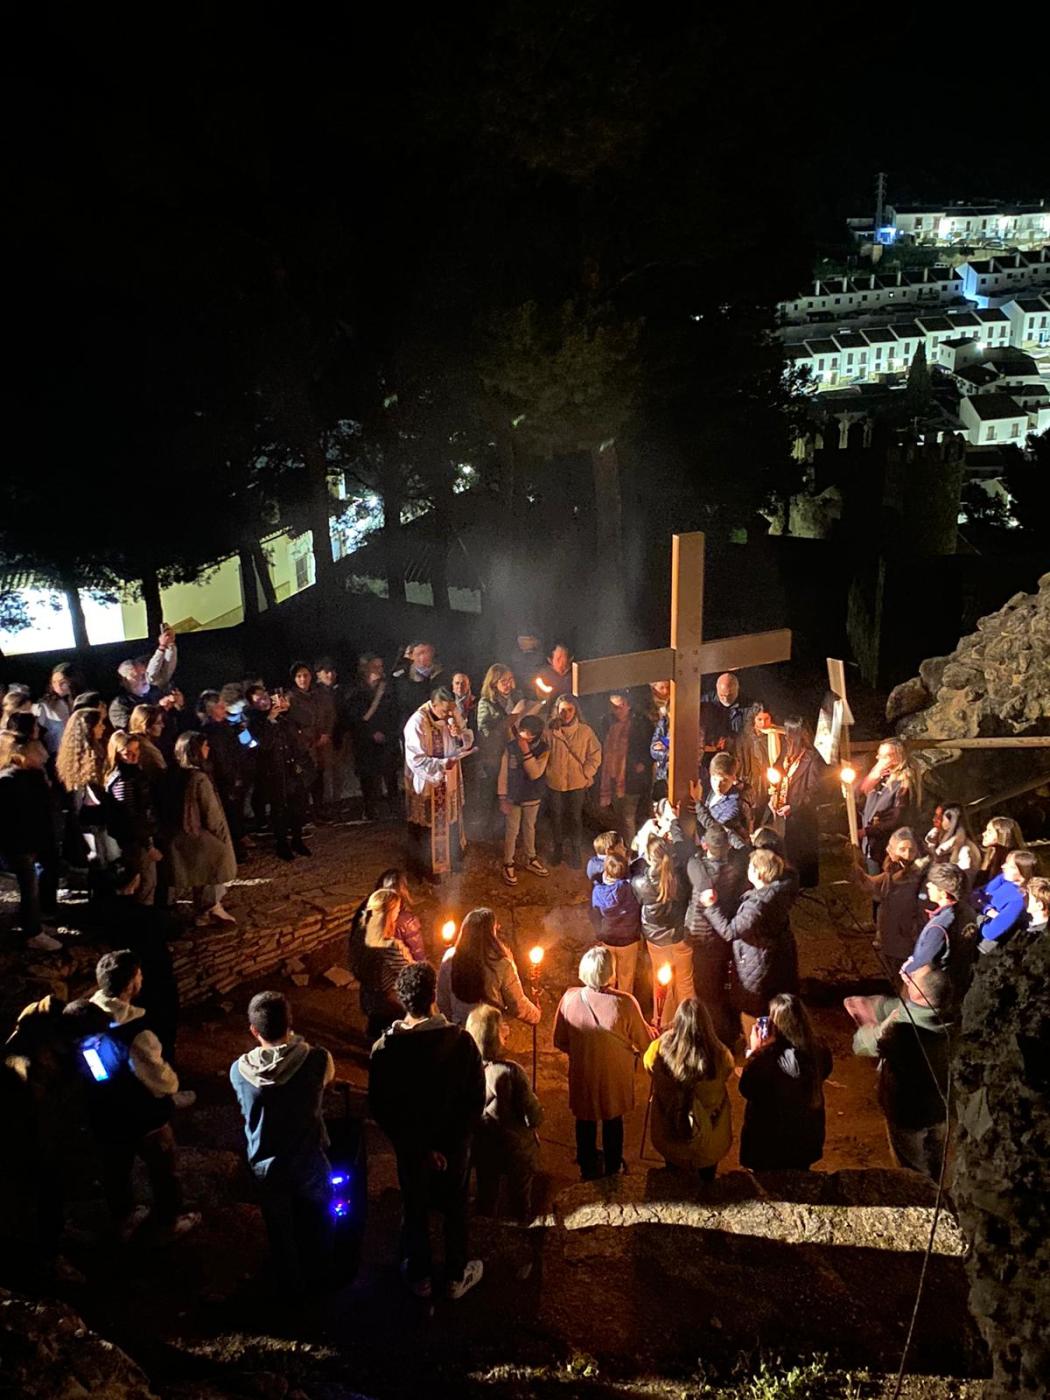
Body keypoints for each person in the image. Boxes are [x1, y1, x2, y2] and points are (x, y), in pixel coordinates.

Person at [369, 961, 485, 1301]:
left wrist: (419, 1149)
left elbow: (382, 1107)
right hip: (454, 1150)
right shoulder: (462, 1043)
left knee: (415, 1206)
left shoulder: (386, 1050)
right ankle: (454, 1275)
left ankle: (419, 1275)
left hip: (411, 1151)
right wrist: (449, 1146)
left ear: (402, 1000)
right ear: (434, 995)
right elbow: (474, 1101)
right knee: (455, 1208)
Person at [86, 950, 200, 1240]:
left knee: (115, 1169)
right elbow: (159, 1080)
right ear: (130, 985)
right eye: (139, 975)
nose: (141, 979)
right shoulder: (138, 1032)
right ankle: (169, 1220)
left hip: (102, 1110)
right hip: (141, 1116)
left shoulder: (84, 1015)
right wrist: (172, 1088)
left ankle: (123, 1217)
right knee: (164, 1170)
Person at [229, 991, 335, 1295]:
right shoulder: (316, 1058)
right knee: (318, 1222)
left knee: (280, 1230)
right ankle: (321, 1281)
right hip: (308, 1162)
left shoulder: (239, 1071)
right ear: (291, 1023)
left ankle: (290, 1287)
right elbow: (325, 1079)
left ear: (253, 1031)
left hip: (266, 1166)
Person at [553, 945, 654, 1180]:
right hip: (614, 1075)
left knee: (585, 1120)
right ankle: (612, 1169)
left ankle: (587, 1167)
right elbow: (646, 1042)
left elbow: (560, 1040)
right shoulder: (625, 1003)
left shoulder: (569, 998)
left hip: (584, 1072)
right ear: (610, 971)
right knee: (613, 1120)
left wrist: (584, 1051)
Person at [846, 964, 951, 1180]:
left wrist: (869, 1023)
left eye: (912, 979)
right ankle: (938, 1186)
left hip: (908, 1114)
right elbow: (906, 1007)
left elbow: (863, 1045)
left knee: (912, 1168)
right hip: (942, 1108)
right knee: (936, 1157)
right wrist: (879, 1005)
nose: (907, 978)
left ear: (920, 994)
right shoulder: (951, 1017)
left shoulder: (901, 1030)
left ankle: (922, 1199)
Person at [698, 848, 800, 1026]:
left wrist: (711, 906)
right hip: (774, 964)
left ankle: (757, 1048)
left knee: (753, 1017)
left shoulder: (757, 906)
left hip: (757, 968)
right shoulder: (782, 889)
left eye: (751, 868)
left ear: (759, 874)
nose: (748, 871)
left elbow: (730, 931)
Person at [738, 992, 832, 1172]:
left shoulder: (767, 1060)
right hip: (805, 1139)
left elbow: (747, 1088)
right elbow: (824, 1071)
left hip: (768, 1143)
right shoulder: (818, 1051)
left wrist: (756, 1051)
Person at [465, 1005, 543, 1220]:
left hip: (482, 1145)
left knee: (486, 1196)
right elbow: (532, 1115)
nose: (507, 1029)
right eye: (502, 1027)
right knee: (520, 1201)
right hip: (514, 1148)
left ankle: (485, 1238)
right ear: (495, 1035)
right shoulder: (511, 1072)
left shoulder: (465, 1069)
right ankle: (521, 1240)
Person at [642, 997, 734, 1179]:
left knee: (674, 1183)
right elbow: (728, 1071)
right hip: (710, 1139)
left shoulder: (659, 1048)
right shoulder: (721, 1056)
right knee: (707, 1185)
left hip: (671, 1135)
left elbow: (648, 1065)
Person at [683, 822, 747, 1047]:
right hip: (722, 937)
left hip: (702, 938)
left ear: (705, 844)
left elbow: (690, 858)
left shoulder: (698, 867)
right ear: (728, 846)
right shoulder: (737, 866)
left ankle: (714, 1038)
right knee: (721, 986)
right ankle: (729, 1032)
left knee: (706, 991)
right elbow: (744, 850)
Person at [166, 731, 237, 925]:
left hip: (181, 834)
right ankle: (210, 908)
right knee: (212, 868)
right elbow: (210, 811)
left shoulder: (173, 774)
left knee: (200, 871)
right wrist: (220, 835)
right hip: (199, 833)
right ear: (196, 750)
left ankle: (204, 910)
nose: (208, 749)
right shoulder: (199, 779)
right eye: (205, 746)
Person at [403, 686, 474, 880]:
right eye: (444, 711)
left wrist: (459, 734)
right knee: (427, 828)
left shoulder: (452, 712)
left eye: (451, 710)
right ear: (433, 705)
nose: (449, 715)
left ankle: (450, 862)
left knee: (450, 820)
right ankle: (426, 869)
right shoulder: (417, 722)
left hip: (449, 780)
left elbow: (467, 737)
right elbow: (415, 759)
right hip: (428, 782)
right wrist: (442, 764)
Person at [0, 733, 61, 951]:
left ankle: (35, 924)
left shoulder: (31, 777)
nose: (43, 756)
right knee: (29, 887)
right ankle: (33, 932)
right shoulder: (8, 782)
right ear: (19, 755)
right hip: (18, 844)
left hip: (32, 841)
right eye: (37, 752)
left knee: (32, 885)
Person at [437, 907, 540, 1027]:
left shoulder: (450, 957)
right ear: (492, 933)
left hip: (460, 1030)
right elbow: (516, 1005)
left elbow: (442, 1000)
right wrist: (535, 1016)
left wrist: (454, 1023)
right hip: (490, 1032)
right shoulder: (501, 963)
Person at [632, 833, 694, 1028]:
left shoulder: (641, 883)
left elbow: (637, 898)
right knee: (685, 982)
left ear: (650, 858)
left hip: (657, 940)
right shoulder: (681, 878)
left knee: (662, 982)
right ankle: (690, 1024)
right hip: (680, 936)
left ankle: (663, 1022)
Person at [246, 687, 311, 861]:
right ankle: (281, 843)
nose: (264, 700)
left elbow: (298, 736)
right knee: (279, 809)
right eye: (258, 699)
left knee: (298, 805)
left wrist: (288, 710)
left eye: (265, 696)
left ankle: (297, 839)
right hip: (273, 773)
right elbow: (260, 746)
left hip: (292, 768)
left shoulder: (284, 717)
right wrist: (270, 720)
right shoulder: (252, 722)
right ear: (252, 703)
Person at [901, 862, 976, 1008]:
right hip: (960, 984)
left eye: (932, 884)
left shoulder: (939, 927)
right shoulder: (968, 911)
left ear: (943, 893)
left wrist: (907, 969)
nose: (928, 886)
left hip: (934, 994)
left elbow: (924, 964)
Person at [849, 827, 927, 969]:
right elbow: (871, 885)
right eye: (902, 849)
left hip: (909, 943)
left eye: (912, 850)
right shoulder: (890, 875)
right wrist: (858, 870)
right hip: (890, 939)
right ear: (892, 851)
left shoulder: (922, 878)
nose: (908, 855)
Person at [768, 717, 828, 889]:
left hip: (802, 818)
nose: (785, 738)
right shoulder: (785, 753)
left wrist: (793, 807)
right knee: (785, 851)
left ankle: (802, 886)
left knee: (800, 854)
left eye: (788, 735)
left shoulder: (813, 759)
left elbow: (815, 791)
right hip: (782, 815)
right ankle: (787, 883)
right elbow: (775, 775)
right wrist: (774, 796)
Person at [103, 731, 161, 905]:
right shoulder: (123, 780)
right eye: (128, 753)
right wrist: (147, 845)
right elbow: (131, 816)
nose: (134, 756)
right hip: (134, 841)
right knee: (144, 882)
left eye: (136, 750)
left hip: (138, 837)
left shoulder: (134, 773)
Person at [545, 694, 601, 869]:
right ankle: (558, 848)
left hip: (577, 783)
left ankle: (575, 850)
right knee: (556, 817)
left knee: (575, 817)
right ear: (557, 711)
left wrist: (587, 772)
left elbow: (595, 754)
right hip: (555, 782)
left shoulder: (585, 731)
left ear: (575, 710)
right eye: (562, 710)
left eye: (569, 710)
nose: (566, 714)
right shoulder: (550, 732)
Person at [349, 889, 413, 1040]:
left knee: (374, 1028)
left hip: (367, 994)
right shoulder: (389, 946)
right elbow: (410, 971)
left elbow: (353, 965)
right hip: (388, 1002)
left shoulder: (359, 934)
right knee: (390, 1034)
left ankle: (372, 1045)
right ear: (388, 915)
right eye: (396, 910)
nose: (398, 914)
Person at [345, 655, 401, 821]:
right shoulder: (356, 689)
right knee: (368, 777)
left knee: (390, 775)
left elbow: (395, 711)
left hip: (387, 739)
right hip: (365, 741)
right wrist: (371, 732)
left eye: (381, 665)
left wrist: (388, 732)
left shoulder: (388, 686)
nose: (379, 669)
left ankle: (394, 808)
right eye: (375, 666)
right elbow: (355, 715)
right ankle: (370, 809)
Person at [55, 706, 112, 868]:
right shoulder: (91, 758)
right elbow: (93, 792)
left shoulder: (74, 755)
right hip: (95, 818)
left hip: (89, 817)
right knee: (103, 860)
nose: (103, 727)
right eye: (99, 724)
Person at [497, 712, 550, 885]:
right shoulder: (511, 747)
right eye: (521, 730)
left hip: (532, 796)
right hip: (513, 797)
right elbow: (504, 773)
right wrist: (503, 797)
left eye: (526, 732)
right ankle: (508, 862)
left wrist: (526, 752)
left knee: (529, 827)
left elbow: (535, 773)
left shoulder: (543, 749)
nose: (521, 734)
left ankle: (530, 858)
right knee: (512, 830)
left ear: (535, 735)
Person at [597, 691, 652, 851]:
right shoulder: (606, 722)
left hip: (632, 778)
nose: (617, 711)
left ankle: (631, 851)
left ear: (628, 705)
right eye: (614, 707)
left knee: (628, 817)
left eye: (620, 706)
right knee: (619, 816)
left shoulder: (641, 723)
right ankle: (621, 848)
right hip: (612, 776)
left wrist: (642, 763)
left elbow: (652, 745)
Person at [198, 690, 248, 860]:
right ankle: (234, 850)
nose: (225, 708)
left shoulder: (227, 726)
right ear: (211, 710)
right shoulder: (210, 732)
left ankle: (239, 840)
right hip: (225, 782)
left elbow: (245, 746)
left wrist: (243, 732)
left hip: (236, 776)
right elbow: (220, 759)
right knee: (229, 815)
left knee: (236, 813)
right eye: (220, 706)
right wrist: (232, 779)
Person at [475, 664, 521, 837]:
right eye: (503, 681)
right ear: (493, 683)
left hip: (513, 753)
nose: (508, 684)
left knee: (510, 791)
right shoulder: (486, 703)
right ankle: (486, 832)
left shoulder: (517, 698)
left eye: (510, 679)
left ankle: (507, 830)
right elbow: (484, 732)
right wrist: (506, 723)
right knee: (490, 795)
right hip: (494, 756)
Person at [857, 740, 915, 873]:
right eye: (878, 755)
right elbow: (859, 799)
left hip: (888, 846)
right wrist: (872, 777)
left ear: (895, 758)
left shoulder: (903, 784)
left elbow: (897, 818)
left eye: (883, 756)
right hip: (872, 844)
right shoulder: (881, 779)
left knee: (884, 885)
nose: (878, 759)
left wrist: (868, 831)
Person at [108, 624, 179, 733]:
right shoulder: (119, 706)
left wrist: (179, 704)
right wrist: (159, 708)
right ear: (124, 680)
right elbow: (131, 728)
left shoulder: (156, 692)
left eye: (144, 674)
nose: (144, 678)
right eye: (138, 676)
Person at [591, 852, 642, 995]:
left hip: (608, 939)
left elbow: (595, 915)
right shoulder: (631, 888)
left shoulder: (598, 891)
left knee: (608, 978)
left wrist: (599, 934)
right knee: (626, 979)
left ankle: (609, 1009)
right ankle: (624, 1010)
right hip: (628, 940)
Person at [974, 849, 1038, 953]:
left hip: (982, 945)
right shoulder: (1003, 879)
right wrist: (988, 910)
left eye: (1010, 866)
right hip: (975, 924)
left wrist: (982, 908)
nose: (1003, 866)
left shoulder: (1019, 900)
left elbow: (990, 932)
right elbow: (976, 894)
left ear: (1022, 871)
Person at [286, 663, 326, 820]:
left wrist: (324, 732)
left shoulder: (317, 694)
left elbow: (325, 714)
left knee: (319, 777)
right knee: (304, 780)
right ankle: (303, 814)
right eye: (299, 676)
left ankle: (319, 810)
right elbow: (289, 723)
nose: (303, 679)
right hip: (302, 745)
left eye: (306, 675)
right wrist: (302, 738)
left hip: (319, 742)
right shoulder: (290, 697)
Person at [699, 751, 752, 851]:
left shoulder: (735, 805)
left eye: (724, 780)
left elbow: (716, 829)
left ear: (733, 778)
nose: (718, 785)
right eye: (714, 779)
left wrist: (698, 805)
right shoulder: (709, 792)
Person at [924, 805, 981, 893]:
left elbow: (960, 882)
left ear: (952, 821)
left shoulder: (965, 850)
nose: (934, 819)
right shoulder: (933, 839)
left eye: (939, 817)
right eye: (935, 815)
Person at [393, 641, 445, 724]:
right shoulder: (402, 677)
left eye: (427, 652)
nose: (424, 657)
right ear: (411, 656)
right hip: (410, 723)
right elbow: (399, 705)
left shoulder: (443, 676)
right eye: (419, 653)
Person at [33, 662, 77, 759]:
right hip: (56, 754)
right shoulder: (44, 705)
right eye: (54, 682)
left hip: (78, 750)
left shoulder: (80, 699)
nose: (58, 686)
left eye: (62, 682)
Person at [974, 815, 1026, 889]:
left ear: (1002, 835)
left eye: (989, 831)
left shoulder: (1012, 862)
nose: (984, 834)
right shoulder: (989, 855)